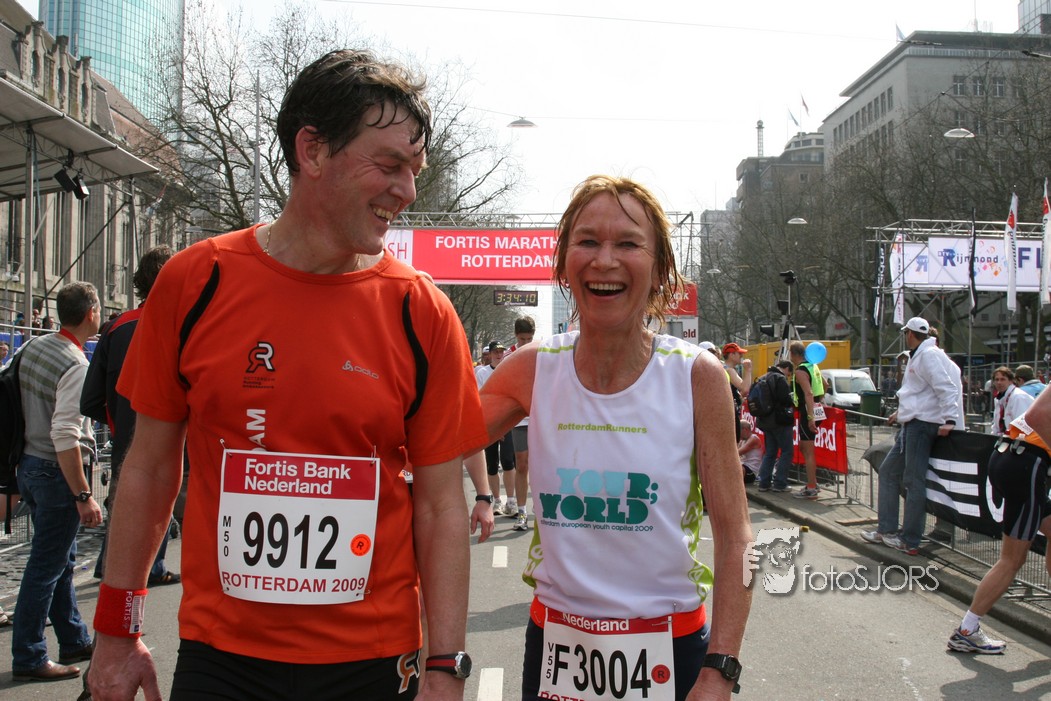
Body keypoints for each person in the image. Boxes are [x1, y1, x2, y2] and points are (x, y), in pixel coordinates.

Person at [86, 49, 487, 701]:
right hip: (222, 657)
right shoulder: (196, 281)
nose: (408, 192)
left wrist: (445, 666)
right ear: (313, 149)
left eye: (414, 171)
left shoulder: (422, 311)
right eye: (389, 165)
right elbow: (151, 469)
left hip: (373, 659)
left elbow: (442, 505)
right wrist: (115, 631)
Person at [479, 175, 753, 701]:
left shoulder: (696, 376)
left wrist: (721, 668)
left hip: (671, 649)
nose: (605, 260)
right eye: (587, 241)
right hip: (556, 646)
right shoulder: (534, 368)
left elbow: (736, 535)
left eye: (627, 244)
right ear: (563, 264)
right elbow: (428, 443)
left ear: (660, 269)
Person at [11, 282, 102, 682]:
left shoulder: (35, 347)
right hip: (55, 471)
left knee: (59, 559)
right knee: (45, 567)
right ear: (91, 314)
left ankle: (73, 637)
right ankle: (29, 655)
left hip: (29, 463)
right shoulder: (75, 365)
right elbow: (65, 434)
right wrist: (83, 494)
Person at [80, 246, 180, 585]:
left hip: (125, 436)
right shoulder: (183, 324)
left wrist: (118, 422)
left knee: (123, 501)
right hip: (169, 439)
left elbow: (90, 399)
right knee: (160, 502)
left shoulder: (116, 327)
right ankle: (151, 567)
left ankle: (111, 565)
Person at [946, 377, 1051, 654]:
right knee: (1012, 559)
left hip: (1015, 455)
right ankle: (967, 630)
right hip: (1026, 462)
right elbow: (1037, 416)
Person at [861, 316, 964, 556]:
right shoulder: (922, 355)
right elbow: (922, 393)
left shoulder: (928, 356)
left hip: (921, 425)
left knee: (913, 481)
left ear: (909, 333)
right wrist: (902, 413)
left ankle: (909, 539)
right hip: (914, 423)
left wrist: (950, 419)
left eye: (905, 332)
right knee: (889, 471)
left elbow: (945, 387)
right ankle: (887, 529)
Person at [475, 340, 516, 515]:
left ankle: (511, 500)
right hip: (489, 424)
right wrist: (493, 425)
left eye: (501, 351)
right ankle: (498, 500)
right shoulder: (482, 373)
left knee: (508, 462)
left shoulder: (509, 369)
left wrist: (504, 424)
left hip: (507, 424)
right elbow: (480, 399)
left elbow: (511, 398)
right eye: (496, 352)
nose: (499, 355)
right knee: (492, 464)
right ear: (490, 354)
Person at [508, 316, 535, 531]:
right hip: (519, 419)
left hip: (538, 417)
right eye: (522, 339)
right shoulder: (509, 357)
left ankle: (542, 511)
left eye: (529, 339)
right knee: (522, 463)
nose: (525, 343)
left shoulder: (542, 353)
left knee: (542, 465)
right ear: (516, 336)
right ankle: (522, 511)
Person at [788, 341, 824, 499]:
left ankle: (812, 487)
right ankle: (812, 482)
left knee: (808, 451)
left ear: (794, 354)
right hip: (815, 409)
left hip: (808, 412)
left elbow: (808, 393)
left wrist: (811, 417)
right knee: (804, 447)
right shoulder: (813, 366)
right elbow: (825, 384)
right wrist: (820, 402)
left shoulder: (801, 371)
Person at [755, 360, 796, 493]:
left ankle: (764, 483)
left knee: (770, 453)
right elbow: (786, 400)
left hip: (765, 421)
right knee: (787, 451)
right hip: (779, 420)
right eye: (789, 373)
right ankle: (780, 483)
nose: (788, 376)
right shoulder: (779, 378)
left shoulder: (763, 377)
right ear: (786, 368)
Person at [988, 366, 1032, 436]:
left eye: (1003, 379)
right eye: (996, 379)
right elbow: (996, 427)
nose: (999, 382)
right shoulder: (999, 399)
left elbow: (1023, 428)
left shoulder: (1018, 397)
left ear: (1011, 381)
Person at [722, 343, 750, 441]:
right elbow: (745, 389)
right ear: (731, 355)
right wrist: (748, 370)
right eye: (739, 353)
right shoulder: (729, 370)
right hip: (729, 413)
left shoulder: (722, 368)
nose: (741, 356)